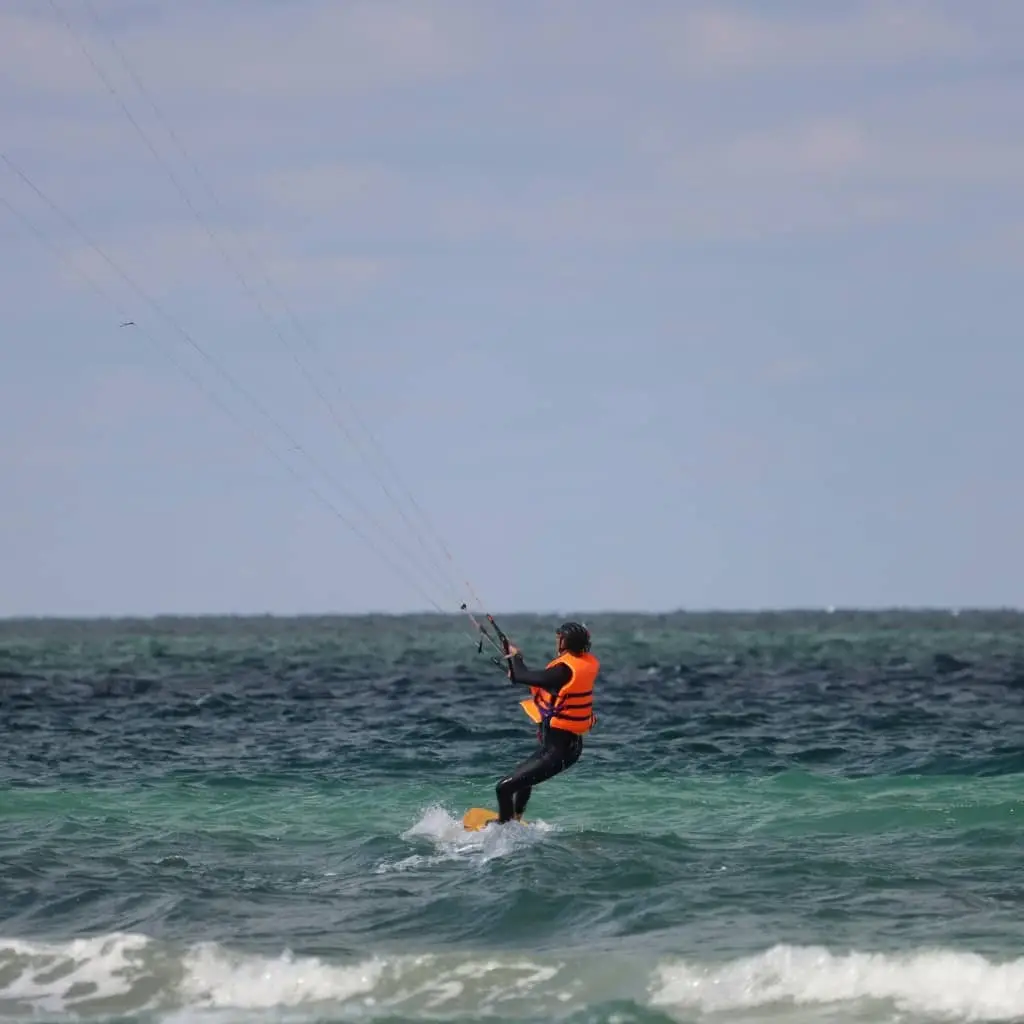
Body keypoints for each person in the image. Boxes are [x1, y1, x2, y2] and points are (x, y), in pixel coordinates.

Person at [492, 621, 599, 825]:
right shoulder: (581, 665)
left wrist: (514, 657)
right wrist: (516, 662)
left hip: (558, 752)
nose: (556, 641)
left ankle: (503, 832)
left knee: (503, 787)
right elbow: (535, 679)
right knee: (524, 780)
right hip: (566, 747)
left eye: (559, 638)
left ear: (565, 643)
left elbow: (522, 676)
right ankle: (515, 820)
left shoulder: (563, 671)